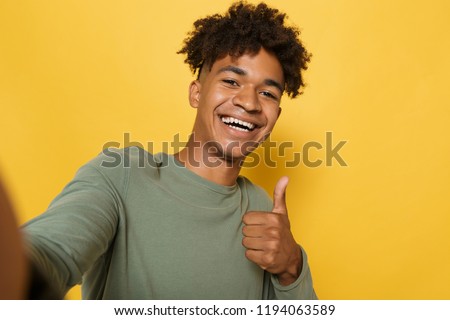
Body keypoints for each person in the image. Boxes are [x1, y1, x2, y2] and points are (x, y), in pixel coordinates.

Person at [21, 1, 317, 299]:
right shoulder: (121, 175)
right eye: (230, 81)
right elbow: (52, 252)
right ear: (196, 93)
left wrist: (291, 267)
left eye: (267, 93)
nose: (250, 103)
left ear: (274, 117)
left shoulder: (262, 209)